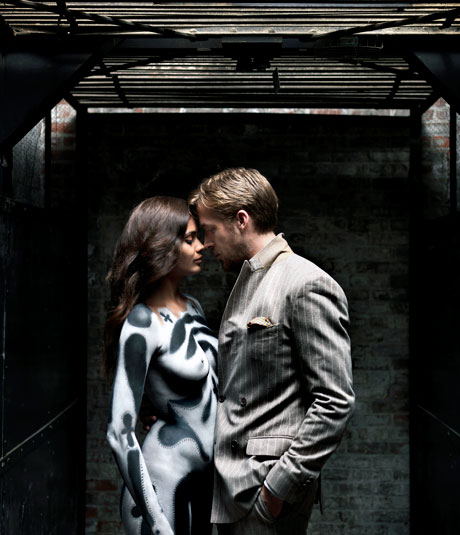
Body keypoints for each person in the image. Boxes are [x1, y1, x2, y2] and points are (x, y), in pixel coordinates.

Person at [188, 168, 355, 535]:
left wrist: (277, 489)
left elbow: (335, 401)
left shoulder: (306, 283)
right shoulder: (249, 280)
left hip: (264, 495)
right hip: (232, 489)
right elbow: (235, 387)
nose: (206, 243)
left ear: (241, 220)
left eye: (210, 230)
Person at [104, 196, 218, 535]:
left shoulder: (193, 307)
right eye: (190, 239)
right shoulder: (142, 322)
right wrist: (155, 521)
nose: (201, 246)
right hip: (161, 489)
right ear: (163, 246)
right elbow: (118, 432)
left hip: (203, 487)